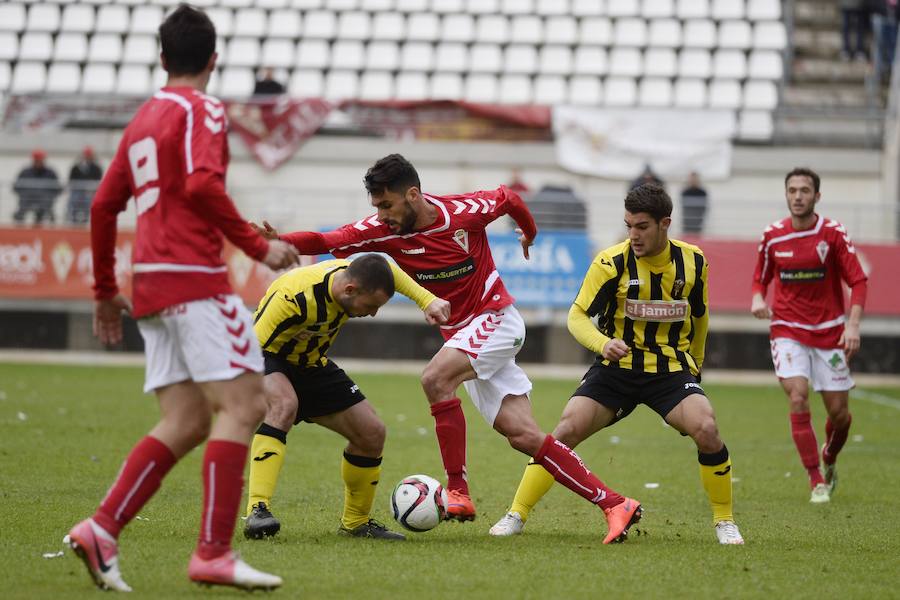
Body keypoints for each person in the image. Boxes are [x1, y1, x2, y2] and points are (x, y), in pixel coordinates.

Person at [256, 153, 643, 544]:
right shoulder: (382, 231)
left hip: (495, 318)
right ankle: (614, 504)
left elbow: (508, 198)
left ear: (412, 195)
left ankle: (457, 489)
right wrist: (281, 241)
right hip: (465, 337)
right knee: (523, 435)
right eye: (377, 207)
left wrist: (529, 232)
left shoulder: (463, 213)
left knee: (435, 379)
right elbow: (327, 240)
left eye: (387, 205)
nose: (382, 215)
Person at [65, 5, 300, 593]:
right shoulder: (204, 109)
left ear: (162, 57)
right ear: (213, 61)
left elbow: (102, 207)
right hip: (193, 280)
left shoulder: (144, 118)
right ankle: (214, 553)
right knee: (248, 404)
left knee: (188, 418)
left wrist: (102, 292)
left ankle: (102, 528)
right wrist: (257, 246)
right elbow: (201, 183)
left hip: (150, 286)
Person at [489, 183, 745, 546]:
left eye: (641, 226)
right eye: (628, 226)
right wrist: (603, 343)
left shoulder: (694, 262)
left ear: (665, 224)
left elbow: (700, 317)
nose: (634, 235)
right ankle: (516, 513)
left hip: (670, 370)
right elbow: (576, 317)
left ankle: (725, 521)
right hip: (616, 371)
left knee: (706, 428)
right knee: (564, 432)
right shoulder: (611, 262)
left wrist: (696, 366)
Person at [244, 254, 450, 541]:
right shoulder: (293, 296)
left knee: (372, 433)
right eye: (371, 306)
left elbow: (388, 267)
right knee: (283, 405)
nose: (374, 313)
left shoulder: (355, 276)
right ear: (350, 290)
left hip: (312, 364)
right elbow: (252, 350)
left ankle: (356, 523)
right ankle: (257, 510)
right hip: (266, 358)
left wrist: (426, 300)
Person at [751, 167, 868, 504]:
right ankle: (816, 478)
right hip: (787, 329)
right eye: (792, 190)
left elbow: (858, 281)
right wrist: (758, 297)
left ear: (817, 196)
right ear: (786, 194)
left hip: (830, 333)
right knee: (798, 395)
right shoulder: (772, 235)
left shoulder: (832, 234)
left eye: (804, 190)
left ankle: (829, 457)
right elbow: (760, 277)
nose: (798, 196)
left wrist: (853, 325)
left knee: (840, 415)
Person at [13, 149, 62, 225]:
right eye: (36, 160)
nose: (38, 162)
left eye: (40, 160)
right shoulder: (25, 172)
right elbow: (16, 186)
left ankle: (44, 227)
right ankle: (19, 229)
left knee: (45, 209)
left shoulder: (50, 173)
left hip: (44, 200)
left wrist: (51, 195)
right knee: (21, 210)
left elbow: (58, 188)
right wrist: (23, 194)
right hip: (28, 199)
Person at [67, 146, 104, 225]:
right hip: (77, 192)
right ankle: (73, 221)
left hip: (89, 193)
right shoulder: (76, 167)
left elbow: (98, 180)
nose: (87, 157)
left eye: (89, 155)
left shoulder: (96, 168)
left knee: (89, 202)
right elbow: (71, 180)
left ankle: (85, 221)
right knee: (73, 200)